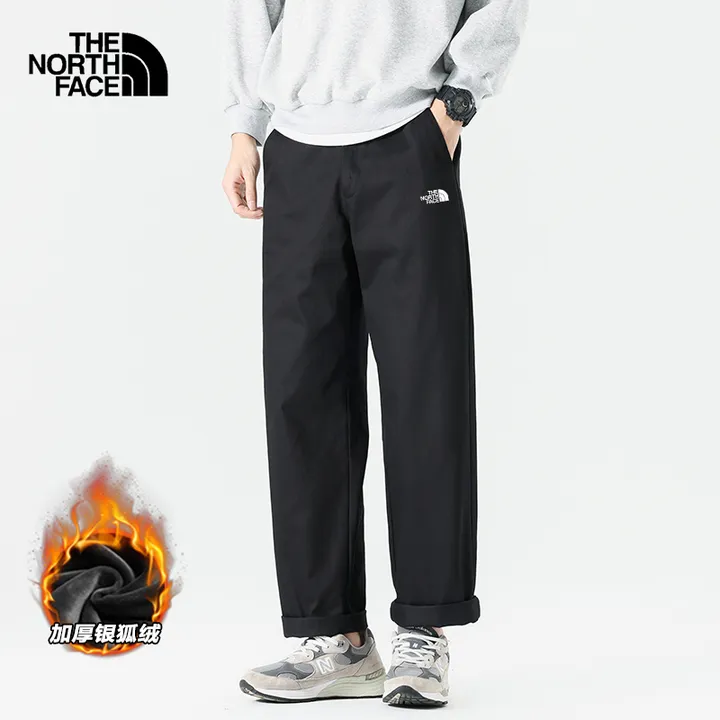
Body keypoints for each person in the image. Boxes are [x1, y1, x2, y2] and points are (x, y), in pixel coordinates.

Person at [223, 0, 528, 707]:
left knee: (426, 385)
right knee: (302, 393)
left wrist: (457, 102)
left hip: (408, 135)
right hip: (296, 144)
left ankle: (424, 627)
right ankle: (335, 638)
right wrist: (245, 125)